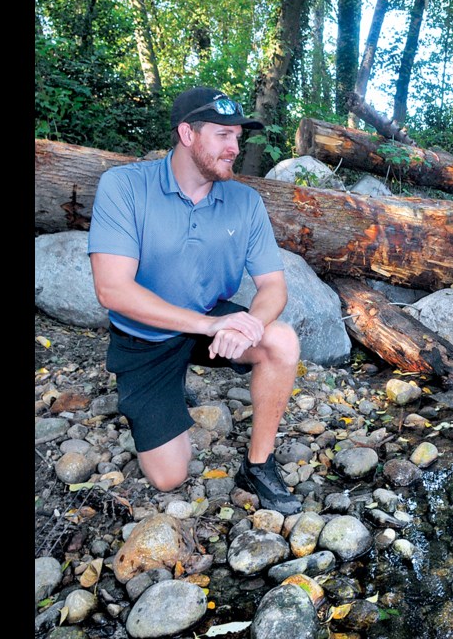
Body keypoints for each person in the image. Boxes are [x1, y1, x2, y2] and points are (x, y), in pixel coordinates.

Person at [87, 86, 302, 515]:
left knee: (281, 342)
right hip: (144, 338)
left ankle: (258, 465)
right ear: (187, 134)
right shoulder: (124, 187)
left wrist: (248, 325)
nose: (235, 147)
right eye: (223, 135)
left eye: (237, 137)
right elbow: (112, 290)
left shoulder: (245, 201)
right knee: (170, 477)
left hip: (208, 316)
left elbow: (274, 287)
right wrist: (210, 327)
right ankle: (166, 396)